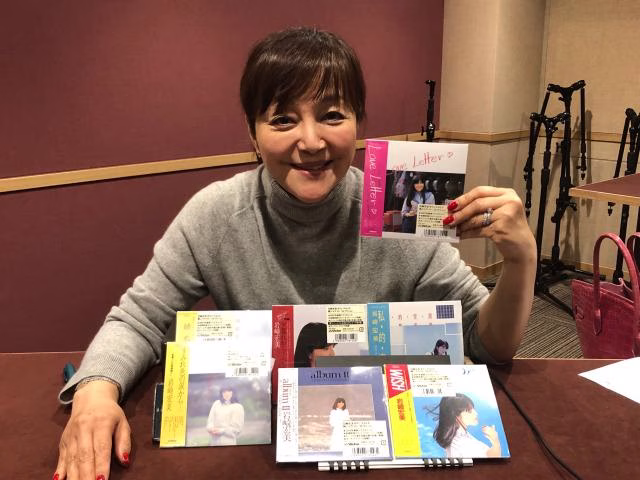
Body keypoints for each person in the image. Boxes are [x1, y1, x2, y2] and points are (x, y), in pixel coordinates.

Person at [55, 26, 536, 480]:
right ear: (252, 133)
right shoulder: (216, 215)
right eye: (283, 119)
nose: (310, 141)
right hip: (264, 451)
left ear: (359, 123)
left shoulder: (398, 218)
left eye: (332, 115)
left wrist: (520, 261)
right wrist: (95, 393)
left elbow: (487, 343)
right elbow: (139, 320)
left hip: (380, 447)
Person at [430, 393, 502, 457]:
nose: (476, 413)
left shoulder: (462, 436)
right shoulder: (461, 442)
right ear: (456, 415)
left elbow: (490, 455)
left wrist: (495, 441)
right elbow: (491, 458)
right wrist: (495, 440)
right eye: (469, 410)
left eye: (473, 409)